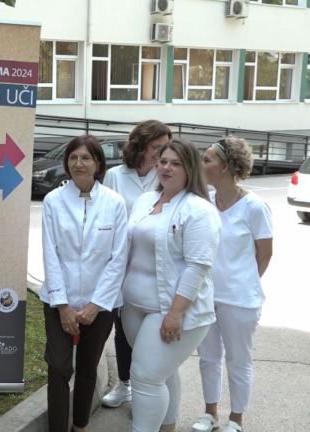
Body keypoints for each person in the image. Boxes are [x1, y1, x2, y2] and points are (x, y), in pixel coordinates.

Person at [121, 137, 221, 432]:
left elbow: (197, 266)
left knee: (145, 377)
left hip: (170, 310)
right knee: (161, 373)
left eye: (176, 163)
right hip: (133, 306)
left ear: (190, 168)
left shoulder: (199, 210)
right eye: (163, 161)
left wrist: (175, 313)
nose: (166, 168)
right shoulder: (145, 201)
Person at [40, 135, 129, 432]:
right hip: (59, 302)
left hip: (100, 305)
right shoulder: (53, 201)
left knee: (88, 368)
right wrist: (62, 305)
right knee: (58, 367)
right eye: (73, 157)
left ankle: (80, 426)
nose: (78, 163)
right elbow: (50, 254)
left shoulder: (114, 203)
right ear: (66, 163)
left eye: (86, 158)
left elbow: (118, 258)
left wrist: (96, 304)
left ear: (98, 163)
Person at [192, 137, 273, 432]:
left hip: (240, 299)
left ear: (225, 167)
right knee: (208, 357)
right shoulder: (205, 203)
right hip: (206, 296)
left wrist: (243, 280)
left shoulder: (255, 206)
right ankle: (210, 414)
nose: (202, 164)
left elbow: (265, 253)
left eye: (207, 159)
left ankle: (236, 419)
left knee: (238, 360)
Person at [102, 119, 172, 408]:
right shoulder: (115, 176)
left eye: (166, 147)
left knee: (153, 332)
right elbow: (105, 218)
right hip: (120, 263)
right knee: (123, 327)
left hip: (154, 264)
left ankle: (151, 390)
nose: (163, 154)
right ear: (141, 145)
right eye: (157, 147)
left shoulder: (165, 175)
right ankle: (125, 383)